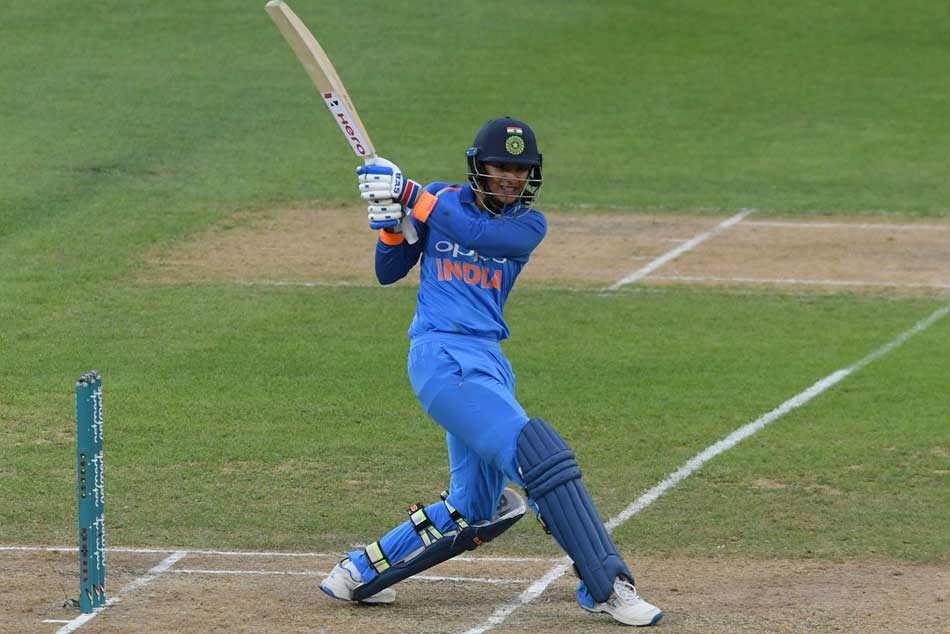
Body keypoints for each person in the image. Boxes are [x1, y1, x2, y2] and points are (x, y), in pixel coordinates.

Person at [319, 117, 663, 627]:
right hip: (441, 358)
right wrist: (392, 222)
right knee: (538, 458)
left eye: (520, 170)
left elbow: (477, 234)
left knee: (477, 506)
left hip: (489, 362)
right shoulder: (440, 199)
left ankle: (357, 573)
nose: (510, 178)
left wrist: (408, 194)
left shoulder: (527, 226)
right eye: (501, 166)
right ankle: (607, 585)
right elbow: (388, 271)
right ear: (478, 166)